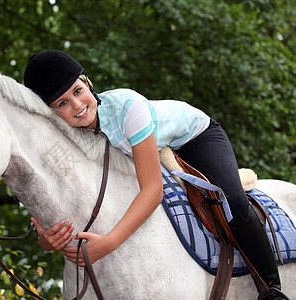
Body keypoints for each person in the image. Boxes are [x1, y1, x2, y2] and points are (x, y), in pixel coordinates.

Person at [23, 50, 287, 300]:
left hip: (195, 138)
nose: (78, 105)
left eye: (78, 91)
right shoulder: (72, 134)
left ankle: (271, 289)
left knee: (232, 200)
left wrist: (110, 242)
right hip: (146, 149)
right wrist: (47, 241)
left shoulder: (127, 106)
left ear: (88, 82)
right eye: (63, 103)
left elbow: (153, 190)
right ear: (54, 113)